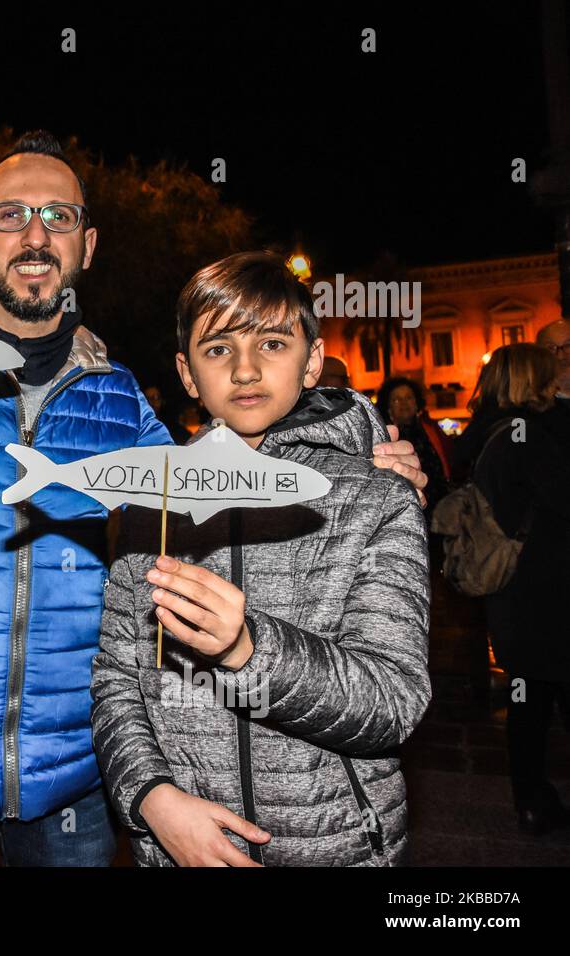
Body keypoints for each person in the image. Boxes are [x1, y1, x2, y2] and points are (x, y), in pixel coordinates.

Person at [0, 132, 427, 867]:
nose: (35, 234)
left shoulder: (119, 398)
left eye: (59, 216)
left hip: (75, 778)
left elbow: (226, 463)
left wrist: (354, 451)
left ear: (87, 245)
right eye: (11, 215)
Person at [92, 252, 431, 866]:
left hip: (338, 847)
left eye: (273, 343)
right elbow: (118, 678)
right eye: (218, 349)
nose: (245, 369)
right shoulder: (151, 503)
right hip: (181, 847)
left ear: (314, 361)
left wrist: (247, 650)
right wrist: (151, 799)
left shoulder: (375, 498)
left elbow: (393, 702)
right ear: (186, 374)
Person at [468, 343, 570, 835]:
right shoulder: (527, 434)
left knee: (527, 700)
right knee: (543, 697)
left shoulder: (490, 430)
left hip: (513, 594)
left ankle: (531, 801)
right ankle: (534, 799)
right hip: (544, 594)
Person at [376, 376, 451, 513]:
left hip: (440, 505)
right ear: (388, 408)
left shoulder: (432, 429)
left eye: (409, 398)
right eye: (397, 399)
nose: (404, 403)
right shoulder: (385, 436)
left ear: (417, 403)